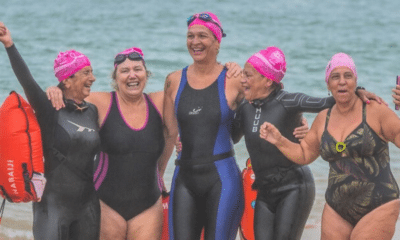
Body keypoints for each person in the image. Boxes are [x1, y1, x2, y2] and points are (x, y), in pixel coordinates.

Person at [46, 45, 242, 239]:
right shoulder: (101, 102)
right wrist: (55, 89)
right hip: (105, 203)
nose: (132, 75)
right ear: (116, 78)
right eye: (124, 71)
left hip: (148, 206)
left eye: (138, 69)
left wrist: (226, 69)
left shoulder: (159, 101)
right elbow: (72, 95)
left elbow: (198, 96)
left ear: (146, 75)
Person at [233, 46, 383, 240]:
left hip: (294, 188)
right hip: (264, 192)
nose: (243, 79)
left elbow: (328, 102)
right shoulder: (245, 108)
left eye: (248, 75)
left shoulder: (288, 101)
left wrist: (359, 91)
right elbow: (231, 136)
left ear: (268, 80)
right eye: (243, 74)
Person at [0, 22, 101, 239]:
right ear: (67, 79)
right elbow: (26, 80)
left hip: (88, 208)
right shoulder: (49, 109)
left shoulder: (92, 111)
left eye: (92, 72)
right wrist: (9, 44)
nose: (92, 78)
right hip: (52, 207)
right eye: (86, 72)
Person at [163, 12, 245, 240]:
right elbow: (170, 133)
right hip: (183, 179)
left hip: (222, 180)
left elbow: (267, 105)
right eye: (190, 36)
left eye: (203, 36)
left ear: (217, 42)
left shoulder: (235, 79)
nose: (195, 42)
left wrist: (298, 121)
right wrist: (157, 175)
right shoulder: (173, 80)